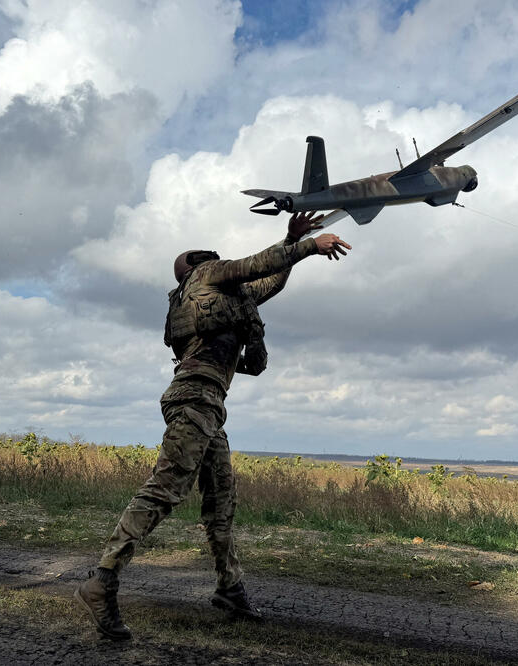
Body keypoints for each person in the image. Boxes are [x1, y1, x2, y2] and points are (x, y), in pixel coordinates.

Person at [75, 211, 352, 640]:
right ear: (192, 270)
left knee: (221, 503)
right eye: (200, 257)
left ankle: (229, 588)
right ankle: (102, 579)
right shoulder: (206, 276)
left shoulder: (227, 297)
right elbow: (255, 265)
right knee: (166, 489)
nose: (209, 256)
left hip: (208, 406)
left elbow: (269, 278)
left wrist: (291, 244)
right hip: (194, 400)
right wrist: (307, 246)